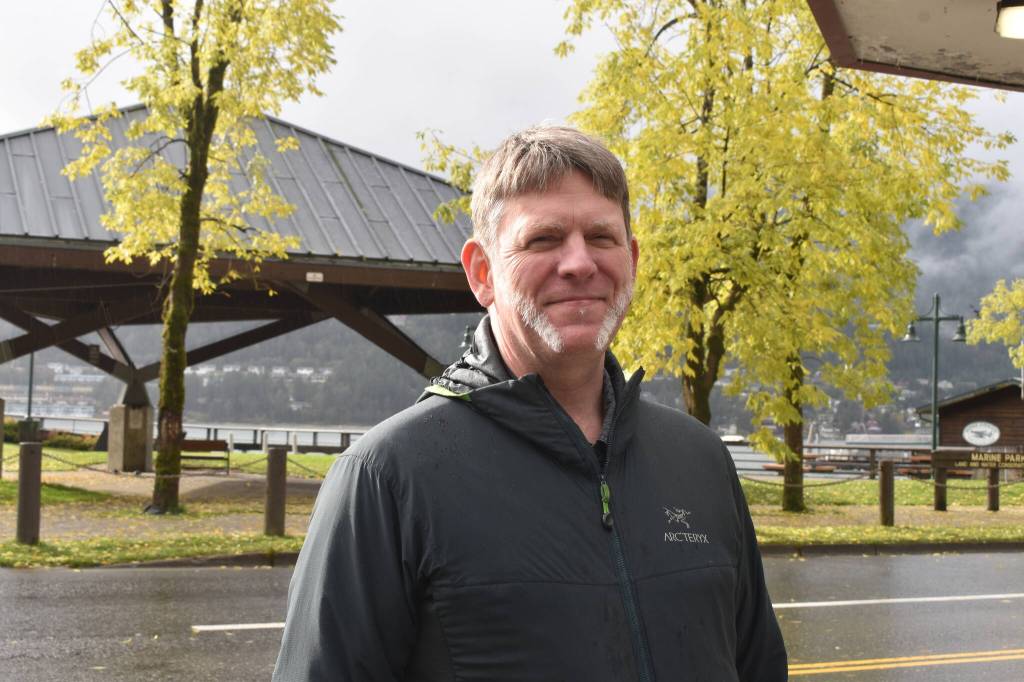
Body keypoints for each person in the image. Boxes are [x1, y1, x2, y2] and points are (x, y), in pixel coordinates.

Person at [274, 126, 787, 681]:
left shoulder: (699, 459)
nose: (579, 263)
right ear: (482, 273)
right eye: (543, 239)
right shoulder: (389, 476)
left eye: (601, 237)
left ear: (632, 259)